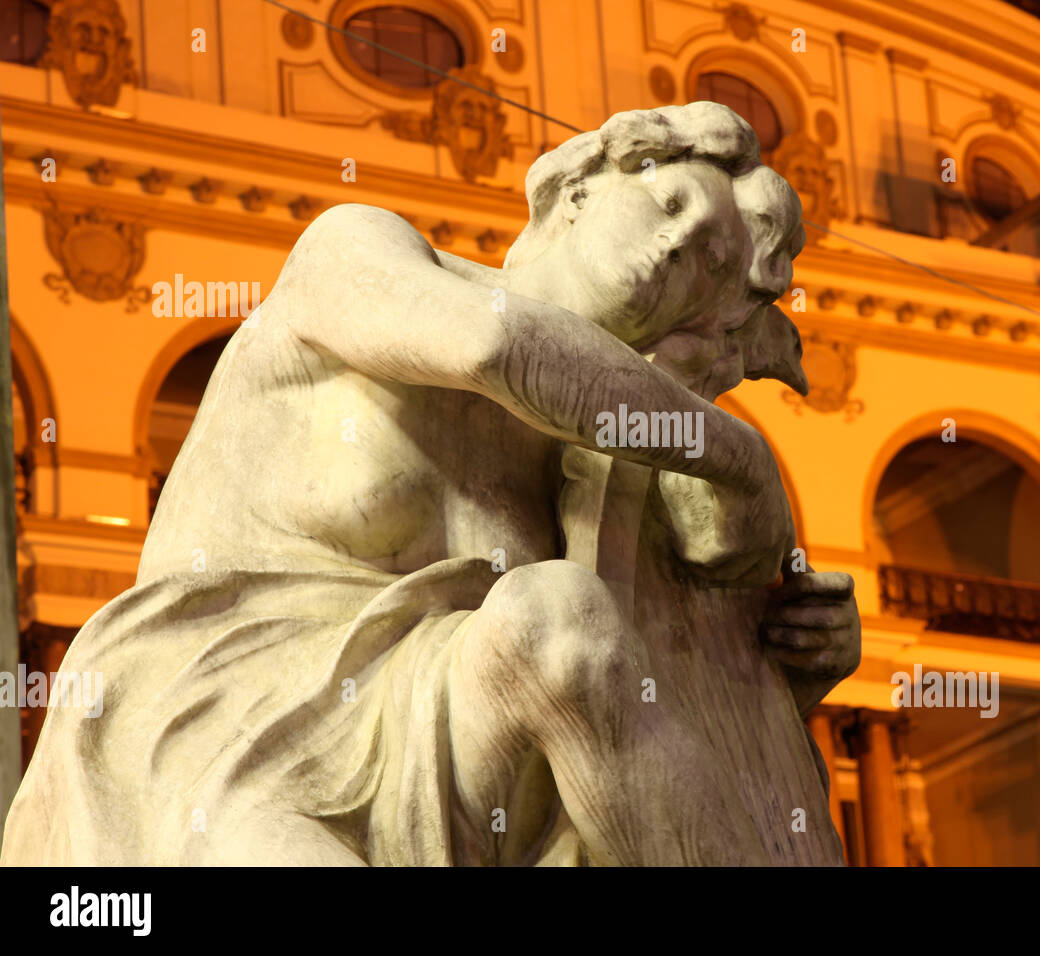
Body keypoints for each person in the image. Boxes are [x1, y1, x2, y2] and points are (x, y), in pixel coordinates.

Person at [2, 103, 859, 866]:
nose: (678, 248)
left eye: (711, 266)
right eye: (670, 204)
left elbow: (683, 653)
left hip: (437, 732)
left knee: (557, 614)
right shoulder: (360, 250)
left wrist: (799, 655)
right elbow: (492, 347)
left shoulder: (615, 451)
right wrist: (736, 456)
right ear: (580, 188)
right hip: (227, 721)